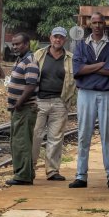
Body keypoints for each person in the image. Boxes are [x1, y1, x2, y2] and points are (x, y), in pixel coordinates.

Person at [70, 12, 109, 189]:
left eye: (100, 22)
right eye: (94, 22)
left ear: (104, 24)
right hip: (86, 93)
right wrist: (101, 64)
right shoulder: (81, 44)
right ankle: (81, 175)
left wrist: (88, 68)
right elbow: (77, 70)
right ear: (89, 25)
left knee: (108, 134)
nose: (98, 25)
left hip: (107, 93)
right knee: (84, 134)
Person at [31, 26, 76, 181]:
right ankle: (30, 167)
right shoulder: (39, 55)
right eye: (55, 37)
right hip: (39, 101)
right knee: (35, 135)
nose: (58, 40)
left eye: (61, 37)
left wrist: (69, 101)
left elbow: (74, 82)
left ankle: (52, 170)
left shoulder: (70, 58)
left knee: (56, 137)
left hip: (59, 102)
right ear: (50, 38)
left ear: (65, 40)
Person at [5, 32, 39, 186]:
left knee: (21, 142)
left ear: (26, 44)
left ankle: (23, 176)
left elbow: (31, 85)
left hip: (24, 108)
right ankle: (25, 173)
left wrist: (19, 103)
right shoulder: (21, 60)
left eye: (18, 44)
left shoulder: (30, 61)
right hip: (19, 107)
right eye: (13, 44)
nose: (15, 47)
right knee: (18, 140)